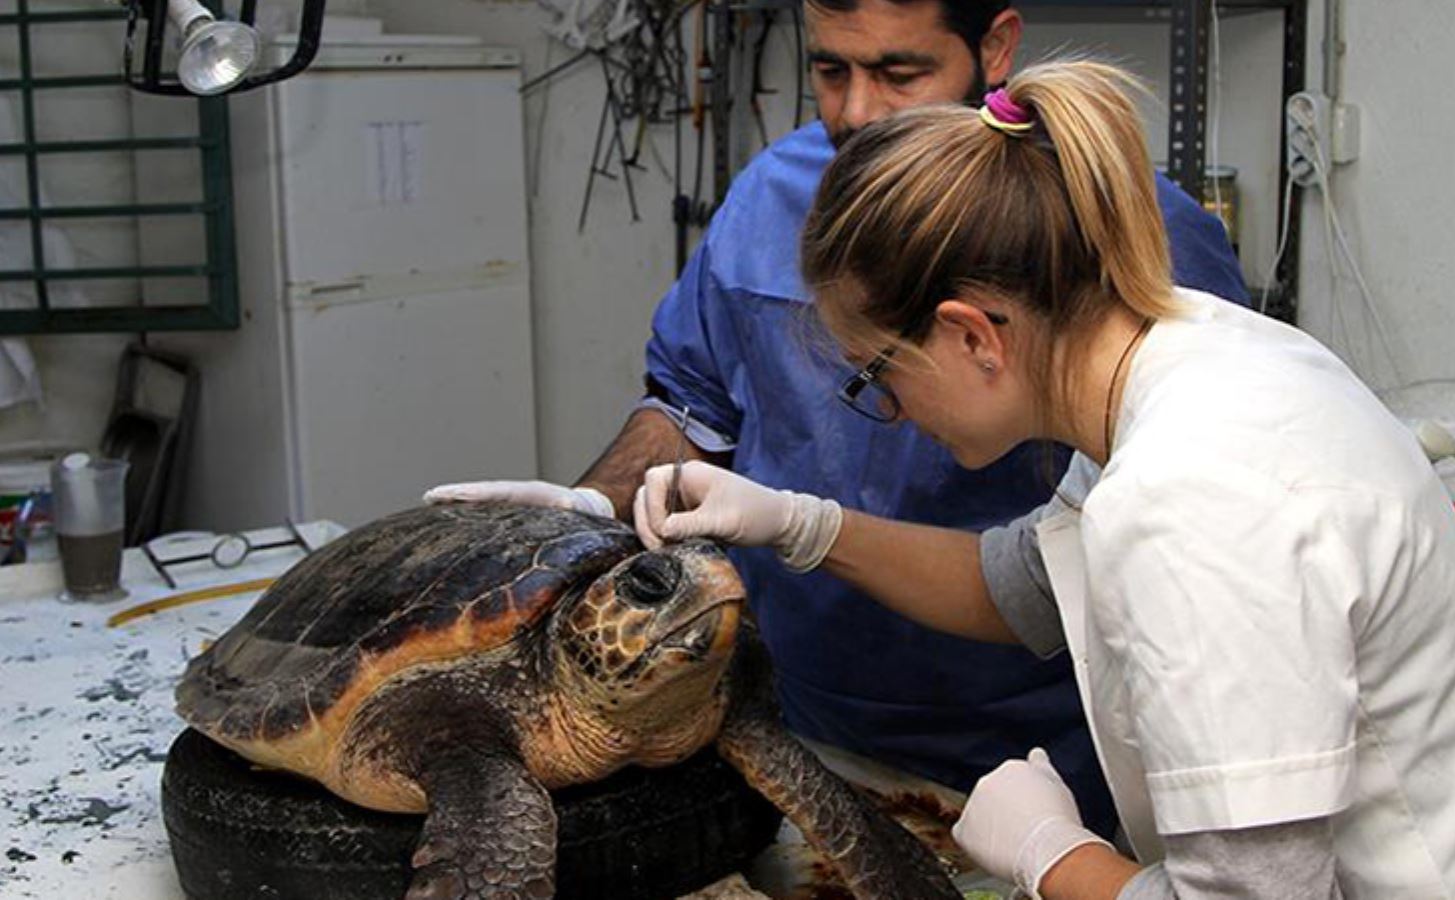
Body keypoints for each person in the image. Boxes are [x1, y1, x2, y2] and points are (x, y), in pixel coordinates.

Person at [630, 59, 1455, 899]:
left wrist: (1049, 855)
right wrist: (798, 523)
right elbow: (1019, 585)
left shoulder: (1192, 502)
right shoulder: (1183, 355)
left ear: (973, 336)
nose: (890, 413)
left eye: (878, 375)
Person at [426, 0, 1249, 835]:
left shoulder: (1136, 231)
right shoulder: (766, 201)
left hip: (1037, 743)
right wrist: (584, 526)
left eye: (900, 74)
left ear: (994, 47)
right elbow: (691, 400)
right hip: (797, 711)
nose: (855, 112)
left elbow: (1118, 557)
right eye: (829, 72)